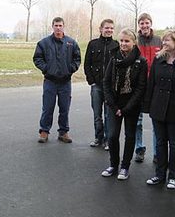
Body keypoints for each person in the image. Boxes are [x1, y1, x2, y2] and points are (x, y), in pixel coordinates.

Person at [145, 29, 175, 189]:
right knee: (160, 142)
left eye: (167, 41)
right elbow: (151, 84)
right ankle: (159, 174)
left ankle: (173, 176)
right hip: (158, 106)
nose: (163, 43)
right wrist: (148, 105)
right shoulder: (158, 60)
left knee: (174, 143)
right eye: (163, 40)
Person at [101, 28, 147, 180]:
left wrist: (127, 108)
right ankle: (113, 164)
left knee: (129, 135)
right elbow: (106, 82)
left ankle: (125, 167)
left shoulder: (141, 61)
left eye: (127, 41)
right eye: (121, 40)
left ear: (134, 43)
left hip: (131, 106)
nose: (123, 43)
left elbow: (141, 87)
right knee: (113, 136)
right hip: (114, 104)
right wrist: (113, 106)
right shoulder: (114, 58)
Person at [33, 17, 81, 144]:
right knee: (48, 107)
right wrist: (46, 69)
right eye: (56, 25)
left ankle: (63, 132)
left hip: (65, 82)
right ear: (52, 26)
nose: (58, 28)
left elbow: (77, 59)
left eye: (60, 25)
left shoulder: (71, 43)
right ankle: (44, 131)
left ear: (64, 26)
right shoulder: (44, 43)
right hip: (50, 81)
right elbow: (37, 58)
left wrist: (71, 69)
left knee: (64, 108)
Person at [84, 19, 119, 150]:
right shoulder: (92, 44)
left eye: (111, 28)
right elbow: (87, 64)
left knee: (109, 114)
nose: (109, 30)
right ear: (101, 29)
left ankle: (108, 140)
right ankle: (98, 138)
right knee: (97, 114)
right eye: (107, 28)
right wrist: (91, 80)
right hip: (96, 85)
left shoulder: (116, 45)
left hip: (110, 87)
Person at [134, 13, 162, 163]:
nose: (144, 26)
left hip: (155, 85)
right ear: (139, 25)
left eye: (147, 23)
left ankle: (158, 152)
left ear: (151, 23)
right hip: (139, 85)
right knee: (137, 121)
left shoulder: (159, 40)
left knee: (156, 120)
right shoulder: (135, 41)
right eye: (141, 23)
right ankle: (139, 149)